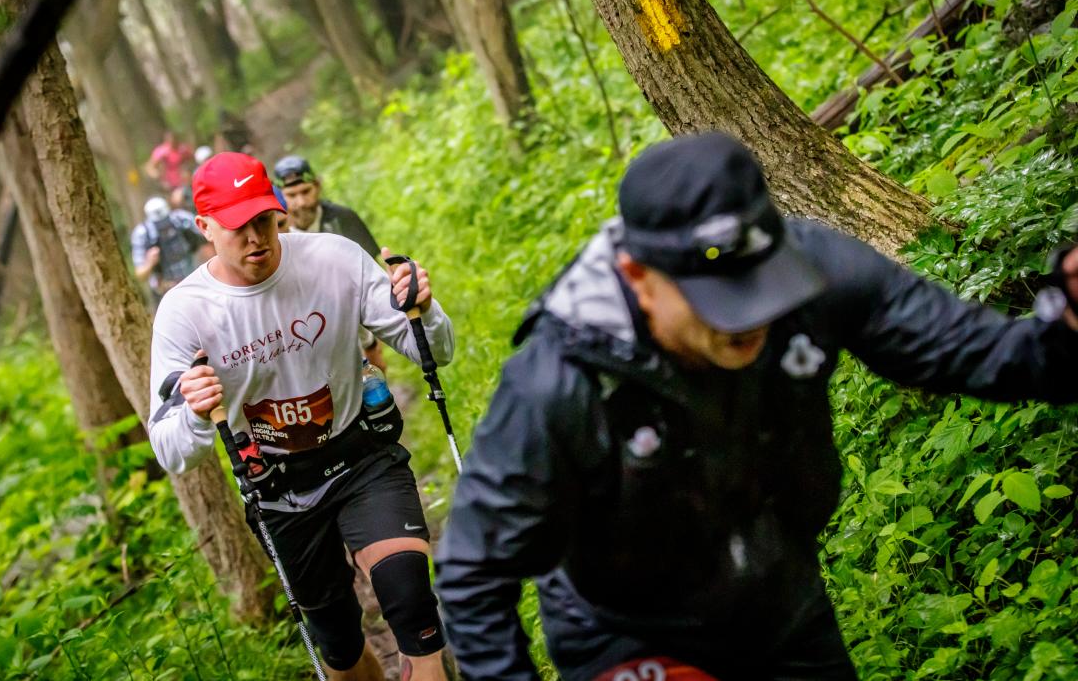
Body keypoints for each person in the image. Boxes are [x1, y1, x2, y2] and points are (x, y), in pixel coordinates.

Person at [434, 133, 1078, 681]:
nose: (748, 319)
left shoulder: (818, 269)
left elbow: (975, 352)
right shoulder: (559, 379)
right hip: (628, 631)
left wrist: (1065, 330)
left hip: (779, 601)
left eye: (758, 283)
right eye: (715, 296)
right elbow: (471, 571)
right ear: (639, 279)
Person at [148, 153, 457, 681]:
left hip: (360, 454)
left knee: (409, 592)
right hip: (278, 487)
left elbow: (434, 350)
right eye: (237, 228)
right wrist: (197, 415)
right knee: (338, 646)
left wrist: (422, 309)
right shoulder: (185, 312)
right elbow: (172, 450)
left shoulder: (334, 259)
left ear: (280, 212)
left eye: (263, 220)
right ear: (204, 228)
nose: (255, 238)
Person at [275, 154, 386, 370]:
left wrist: (372, 343)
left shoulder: (343, 219)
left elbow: (369, 279)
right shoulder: (277, 233)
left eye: (306, 192)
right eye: (291, 195)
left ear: (317, 186)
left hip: (351, 322)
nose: (300, 203)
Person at [131, 197, 205, 302]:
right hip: (165, 293)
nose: (164, 228)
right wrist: (150, 262)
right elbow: (140, 275)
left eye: (165, 222)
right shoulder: (143, 234)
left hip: (193, 283)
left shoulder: (182, 220)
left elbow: (208, 234)